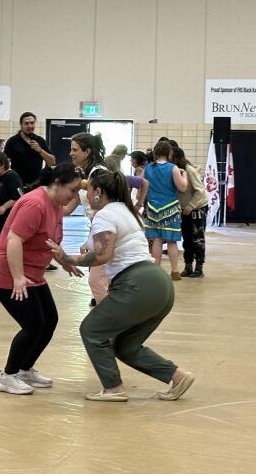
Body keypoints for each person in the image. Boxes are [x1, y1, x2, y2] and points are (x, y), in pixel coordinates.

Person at [47, 169, 194, 402]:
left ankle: (113, 388)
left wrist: (69, 258)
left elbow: (102, 255)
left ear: (99, 192)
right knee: (125, 346)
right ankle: (176, 376)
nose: (85, 194)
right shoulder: (125, 210)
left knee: (91, 330)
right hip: (159, 286)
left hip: (137, 284)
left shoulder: (105, 215)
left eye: (88, 189)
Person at [0, 163, 83, 395]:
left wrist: (64, 261)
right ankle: (7, 376)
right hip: (8, 272)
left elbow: (48, 240)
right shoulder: (35, 203)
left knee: (50, 320)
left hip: (33, 272)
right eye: (73, 189)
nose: (74, 195)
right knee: (33, 325)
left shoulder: (56, 203)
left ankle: (24, 368)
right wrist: (18, 277)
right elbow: (14, 240)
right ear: (57, 184)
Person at [65, 132, 109, 303]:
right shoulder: (84, 173)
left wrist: (91, 240)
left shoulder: (99, 173)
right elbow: (67, 208)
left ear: (87, 152)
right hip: (98, 228)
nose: (71, 153)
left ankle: (109, 318)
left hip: (107, 229)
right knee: (101, 278)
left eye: (74, 149)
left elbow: (105, 208)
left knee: (97, 279)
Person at [144, 140, 188, 280]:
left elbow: (143, 185)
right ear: (169, 153)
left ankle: (156, 270)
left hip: (152, 208)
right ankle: (174, 271)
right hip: (170, 208)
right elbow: (182, 187)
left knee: (156, 240)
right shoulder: (173, 168)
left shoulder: (148, 168)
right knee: (171, 241)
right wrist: (184, 175)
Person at [172, 148, 209, 278]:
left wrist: (191, 206)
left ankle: (199, 268)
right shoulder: (176, 171)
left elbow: (200, 191)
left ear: (176, 158)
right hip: (184, 209)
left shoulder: (189, 170)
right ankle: (188, 266)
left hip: (197, 208)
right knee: (187, 239)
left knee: (197, 238)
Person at [4, 112, 56, 188]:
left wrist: (40, 150)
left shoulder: (40, 140)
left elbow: (53, 161)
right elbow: (5, 164)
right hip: (17, 183)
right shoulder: (12, 141)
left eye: (32, 123)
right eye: (26, 123)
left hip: (36, 184)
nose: (30, 126)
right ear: (21, 125)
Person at [0, 151, 24, 239]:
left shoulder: (12, 177)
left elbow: (19, 197)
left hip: (8, 220)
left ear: (2, 165)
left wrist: (4, 207)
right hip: (0, 220)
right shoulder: (1, 176)